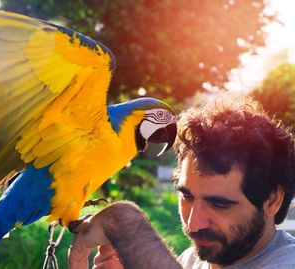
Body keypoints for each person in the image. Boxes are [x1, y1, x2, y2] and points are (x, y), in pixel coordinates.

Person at [68, 95, 295, 269]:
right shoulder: (193, 260)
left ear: (272, 200)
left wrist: (124, 223)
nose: (194, 224)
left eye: (219, 204)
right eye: (186, 196)